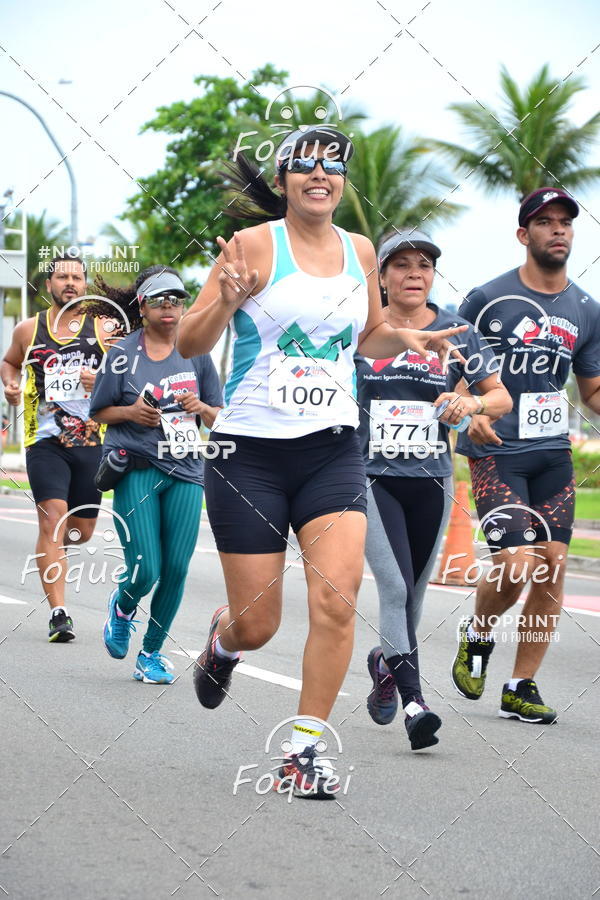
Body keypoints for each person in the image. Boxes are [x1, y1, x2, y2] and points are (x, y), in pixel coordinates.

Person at [176, 126, 468, 797]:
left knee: (337, 602)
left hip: (332, 451)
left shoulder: (361, 251)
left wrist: (405, 337)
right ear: (283, 180)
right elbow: (192, 338)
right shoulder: (254, 246)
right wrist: (223, 298)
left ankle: (305, 751)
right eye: (304, 165)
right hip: (247, 457)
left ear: (341, 180)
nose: (319, 174)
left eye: (331, 165)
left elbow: (366, 337)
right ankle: (224, 640)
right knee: (261, 621)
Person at [356, 230, 512, 750]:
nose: (414, 273)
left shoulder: (457, 332)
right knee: (395, 588)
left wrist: (469, 405)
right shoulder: (362, 328)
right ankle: (415, 704)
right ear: (381, 277)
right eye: (400, 265)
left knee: (415, 597)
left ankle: (385, 662)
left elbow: (500, 398)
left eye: (423, 264)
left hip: (431, 478)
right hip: (370, 477)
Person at [451, 187, 600, 723]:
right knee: (517, 565)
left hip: (553, 455)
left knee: (552, 567)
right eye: (545, 222)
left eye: (565, 222)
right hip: (497, 453)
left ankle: (521, 686)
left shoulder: (587, 309)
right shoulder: (483, 299)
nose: (558, 230)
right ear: (524, 234)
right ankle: (478, 632)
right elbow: (451, 372)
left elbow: (592, 392)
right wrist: (473, 411)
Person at [88, 266, 223, 684]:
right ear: (142, 307)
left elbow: (219, 415)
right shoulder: (123, 355)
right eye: (160, 300)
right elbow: (98, 411)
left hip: (186, 469)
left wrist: (200, 407)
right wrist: (131, 412)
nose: (170, 307)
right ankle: (123, 605)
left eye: (177, 299)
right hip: (137, 470)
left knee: (177, 568)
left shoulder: (197, 352)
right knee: (146, 568)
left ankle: (151, 653)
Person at [1, 254, 109, 643]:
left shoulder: (104, 329)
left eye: (77, 277)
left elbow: (127, 373)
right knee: (52, 519)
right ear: (48, 284)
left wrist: (100, 378)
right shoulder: (29, 330)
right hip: (44, 440)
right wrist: (11, 386)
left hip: (91, 442)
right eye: (62, 276)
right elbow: (10, 363)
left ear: (85, 284)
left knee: (80, 533)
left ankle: (53, 549)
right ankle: (59, 614)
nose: (70, 283)